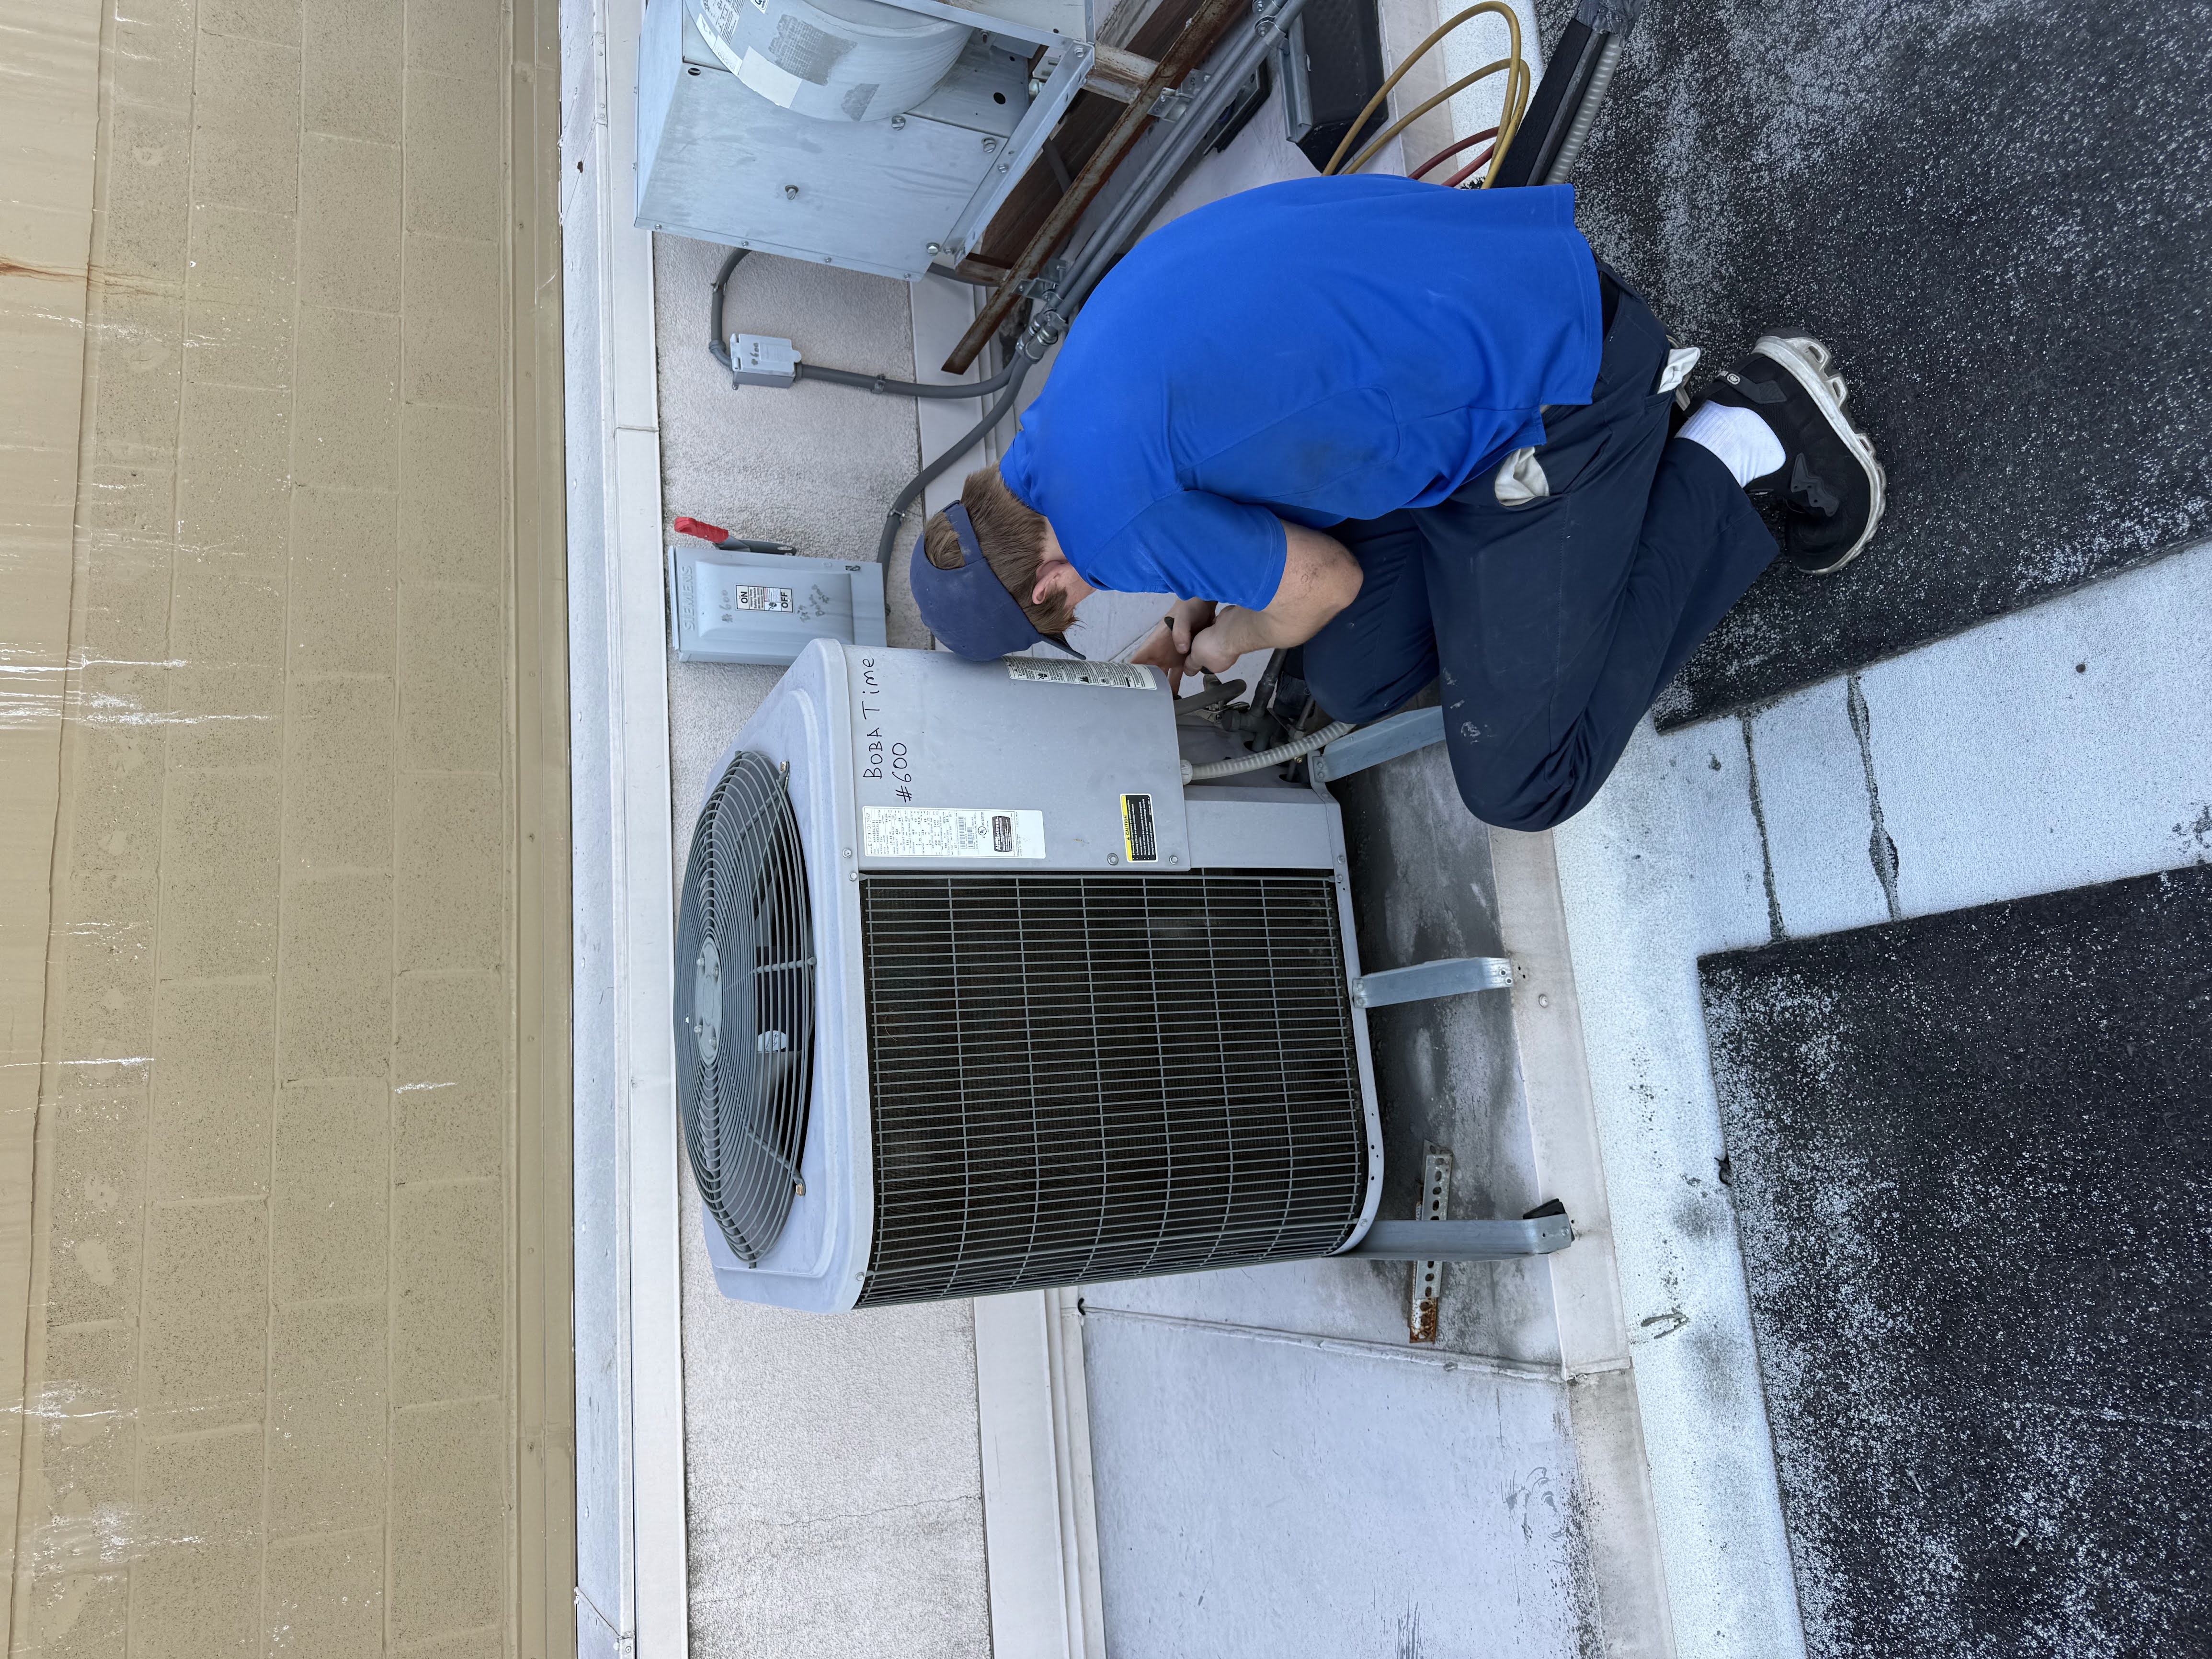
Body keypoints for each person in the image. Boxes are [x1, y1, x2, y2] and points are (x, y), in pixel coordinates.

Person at [907, 173, 1884, 830]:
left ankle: (1738, 444)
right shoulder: (1063, 413)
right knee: (1349, 671)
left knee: (1520, 782)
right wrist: (1197, 605)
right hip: (1495, 298)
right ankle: (1606, 503)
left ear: (1042, 584)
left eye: (1063, 614)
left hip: (1550, 387)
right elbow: (1222, 472)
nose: (1077, 611)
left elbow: (1321, 580)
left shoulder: (1105, 530)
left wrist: (1227, 641)